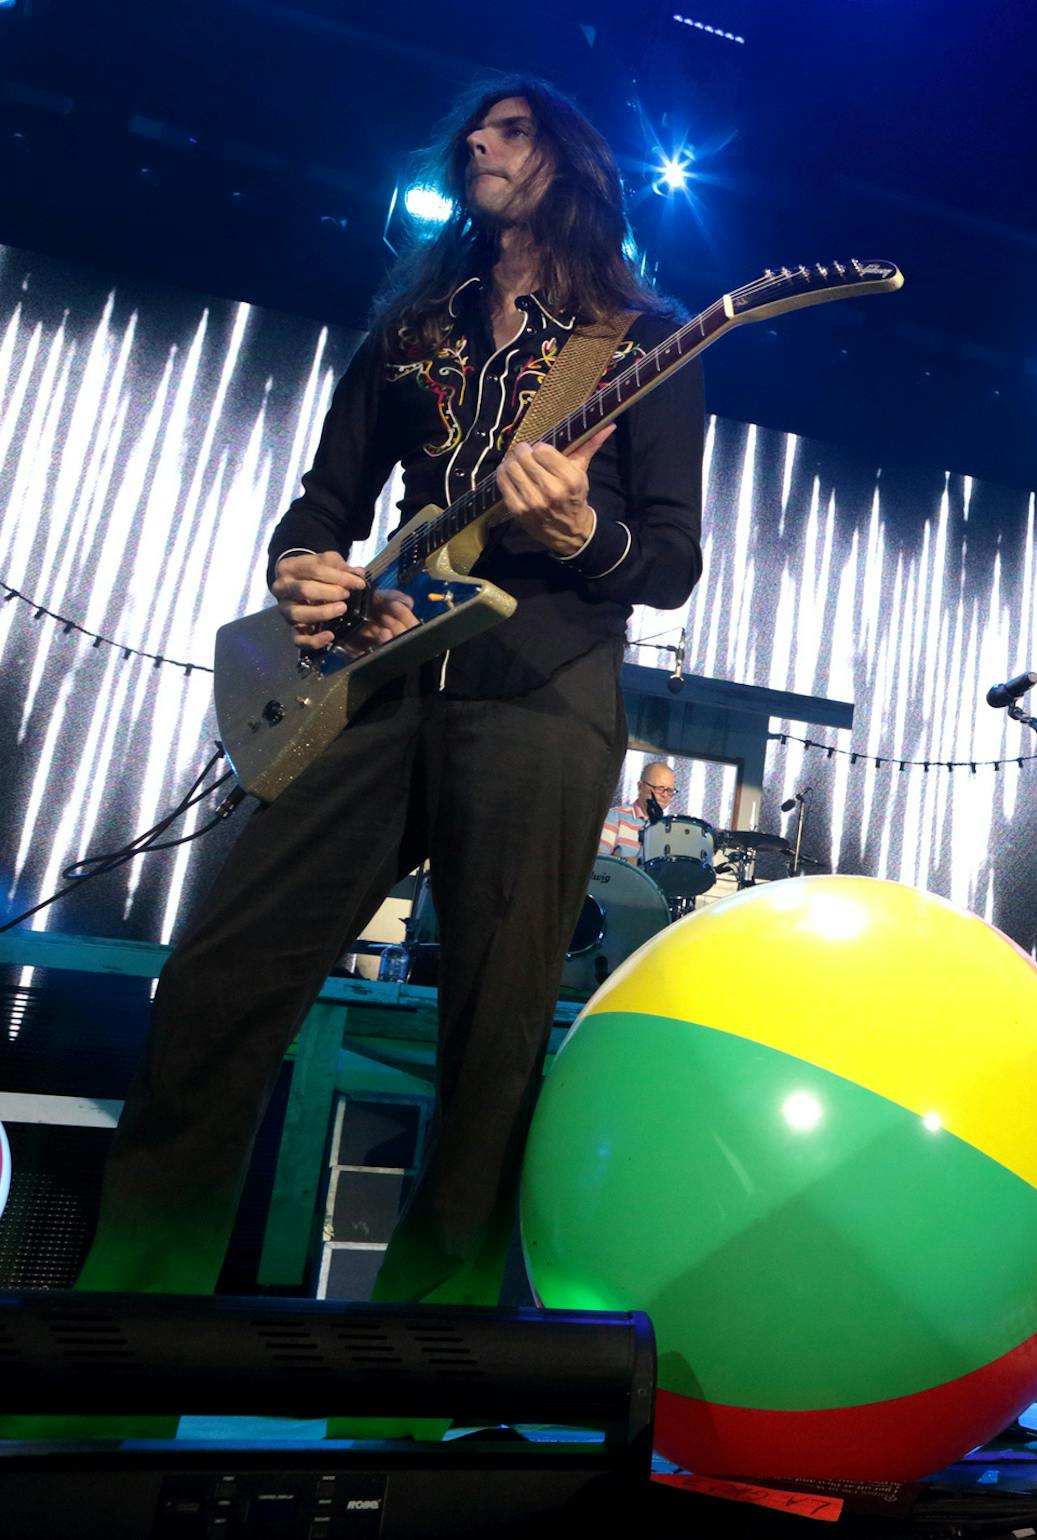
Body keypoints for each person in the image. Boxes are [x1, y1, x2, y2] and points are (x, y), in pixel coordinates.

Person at [55, 77, 705, 1332]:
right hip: (373, 686)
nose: (480, 143)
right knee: (217, 981)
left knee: (492, 1038)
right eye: (477, 130)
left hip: (542, 699)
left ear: (571, 164)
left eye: (513, 130)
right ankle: (120, 1330)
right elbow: (324, 498)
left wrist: (580, 530)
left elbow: (669, 563)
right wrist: (301, 565)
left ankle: (427, 1359)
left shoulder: (642, 344)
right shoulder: (413, 331)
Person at [599, 759, 676, 858]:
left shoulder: (670, 829)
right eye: (659, 788)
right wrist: (632, 863)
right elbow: (600, 860)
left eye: (670, 790)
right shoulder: (615, 817)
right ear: (640, 787)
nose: (665, 795)